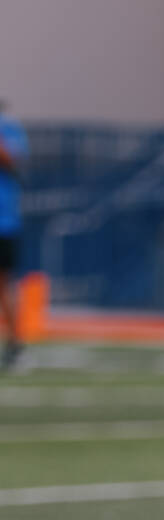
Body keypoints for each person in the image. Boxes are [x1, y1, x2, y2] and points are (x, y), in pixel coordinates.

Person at [0, 100, 28, 369]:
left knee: (6, 283)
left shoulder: (10, 129)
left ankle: (15, 346)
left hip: (4, 222)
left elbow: (11, 159)